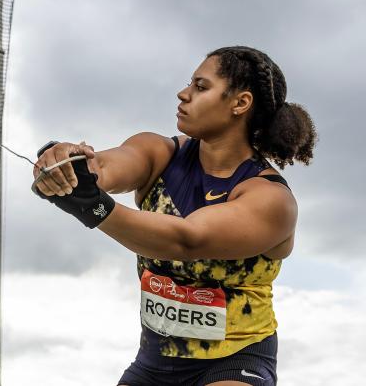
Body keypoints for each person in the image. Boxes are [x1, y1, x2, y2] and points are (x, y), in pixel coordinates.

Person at [32, 46, 317, 386]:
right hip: (154, 363)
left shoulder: (272, 199)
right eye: (189, 84)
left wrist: (93, 206)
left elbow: (188, 239)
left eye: (201, 86)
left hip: (235, 359)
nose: (183, 94)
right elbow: (103, 167)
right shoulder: (159, 152)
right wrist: (67, 163)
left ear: (240, 103)